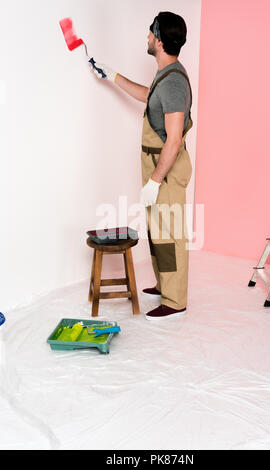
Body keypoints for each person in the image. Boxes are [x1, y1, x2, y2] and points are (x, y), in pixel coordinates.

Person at [89, 11, 193, 321]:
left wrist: (156, 181)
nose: (147, 36)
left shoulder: (174, 82)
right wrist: (113, 76)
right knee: (158, 230)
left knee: (170, 234)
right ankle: (164, 285)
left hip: (166, 169)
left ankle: (176, 301)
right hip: (155, 165)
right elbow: (150, 98)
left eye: (151, 32)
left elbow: (173, 140)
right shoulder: (165, 73)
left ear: (159, 41)